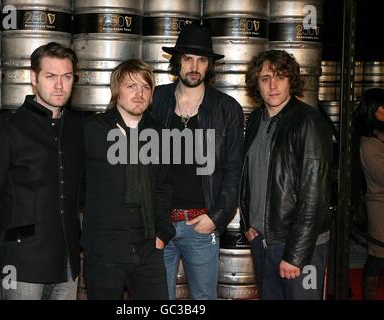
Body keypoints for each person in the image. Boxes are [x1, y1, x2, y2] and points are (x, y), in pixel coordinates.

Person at [0, 42, 83, 300]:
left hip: (67, 262)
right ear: (33, 78)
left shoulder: (76, 128)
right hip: (19, 264)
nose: (60, 85)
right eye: (51, 76)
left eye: (66, 76)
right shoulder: (7, 130)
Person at [151, 23, 245, 300]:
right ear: (177, 61)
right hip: (159, 223)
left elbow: (234, 169)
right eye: (188, 58)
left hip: (201, 225)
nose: (194, 66)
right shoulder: (156, 100)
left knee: (203, 299)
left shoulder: (227, 108)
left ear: (209, 66)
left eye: (202, 60)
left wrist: (216, 218)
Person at [240, 49, 333, 299]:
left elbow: (315, 197)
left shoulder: (308, 122)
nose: (273, 85)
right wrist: (247, 223)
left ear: (291, 80)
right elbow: (248, 175)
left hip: (300, 246)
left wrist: (295, 255)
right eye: (265, 78)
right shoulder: (257, 118)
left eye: (280, 76)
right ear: (255, 83)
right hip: (263, 241)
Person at [81, 59, 175, 300]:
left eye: (145, 87)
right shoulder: (92, 130)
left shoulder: (160, 134)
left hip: (148, 247)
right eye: (131, 86)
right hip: (104, 250)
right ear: (116, 90)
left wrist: (163, 232)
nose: (139, 94)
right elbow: (75, 186)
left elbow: (164, 186)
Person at [353, 88, 384, 299]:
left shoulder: (379, 136)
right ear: (373, 110)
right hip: (379, 204)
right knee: (378, 256)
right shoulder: (369, 143)